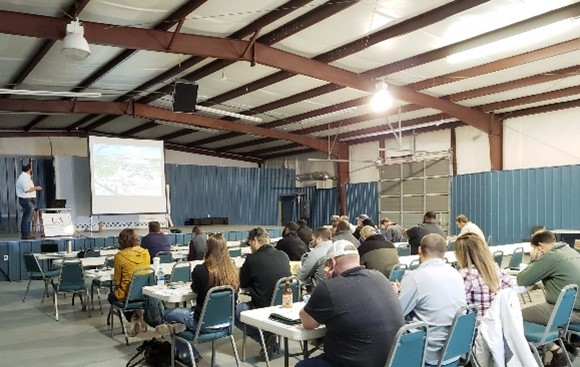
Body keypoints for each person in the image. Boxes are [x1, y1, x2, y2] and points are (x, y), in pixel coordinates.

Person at [298, 240, 405, 367]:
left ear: (331, 263)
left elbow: (308, 323)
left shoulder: (328, 287)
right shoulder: (380, 277)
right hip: (391, 361)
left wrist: (328, 282)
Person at [158, 234, 239, 364]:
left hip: (202, 324)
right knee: (186, 316)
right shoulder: (233, 272)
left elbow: (195, 289)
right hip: (227, 324)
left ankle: (190, 354)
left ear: (208, 249)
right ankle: (181, 329)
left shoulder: (201, 270)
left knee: (167, 314)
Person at [396, 233, 466, 366]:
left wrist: (395, 293)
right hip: (453, 351)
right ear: (444, 252)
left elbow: (396, 314)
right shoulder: (456, 274)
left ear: (419, 250)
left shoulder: (415, 277)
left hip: (426, 354)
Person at [517, 229, 580, 367]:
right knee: (535, 311)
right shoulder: (570, 251)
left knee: (516, 314)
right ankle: (563, 346)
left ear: (540, 246)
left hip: (568, 312)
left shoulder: (550, 257)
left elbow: (522, 280)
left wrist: (533, 259)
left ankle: (557, 351)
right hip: (573, 308)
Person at [235, 227, 290, 359]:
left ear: (254, 240)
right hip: (284, 305)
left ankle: (264, 337)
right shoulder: (283, 255)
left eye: (249, 242)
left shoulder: (252, 260)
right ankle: (268, 336)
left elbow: (243, 284)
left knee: (233, 312)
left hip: (263, 306)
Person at [454, 233, 513, 321]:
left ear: (461, 254)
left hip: (476, 328)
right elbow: (510, 288)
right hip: (496, 324)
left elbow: (457, 306)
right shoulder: (494, 268)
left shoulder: (466, 274)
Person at [108, 228, 151, 336]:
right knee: (128, 295)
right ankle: (138, 312)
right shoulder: (145, 253)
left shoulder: (119, 256)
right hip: (144, 294)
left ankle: (132, 316)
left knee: (111, 296)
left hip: (126, 296)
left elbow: (117, 281)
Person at [15, 163, 42, 239]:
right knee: (27, 217)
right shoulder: (23, 177)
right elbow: (26, 190)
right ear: (30, 169)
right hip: (26, 200)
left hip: (28, 200)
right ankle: (25, 234)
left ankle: (27, 234)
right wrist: (36, 187)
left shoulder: (26, 177)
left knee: (28, 217)